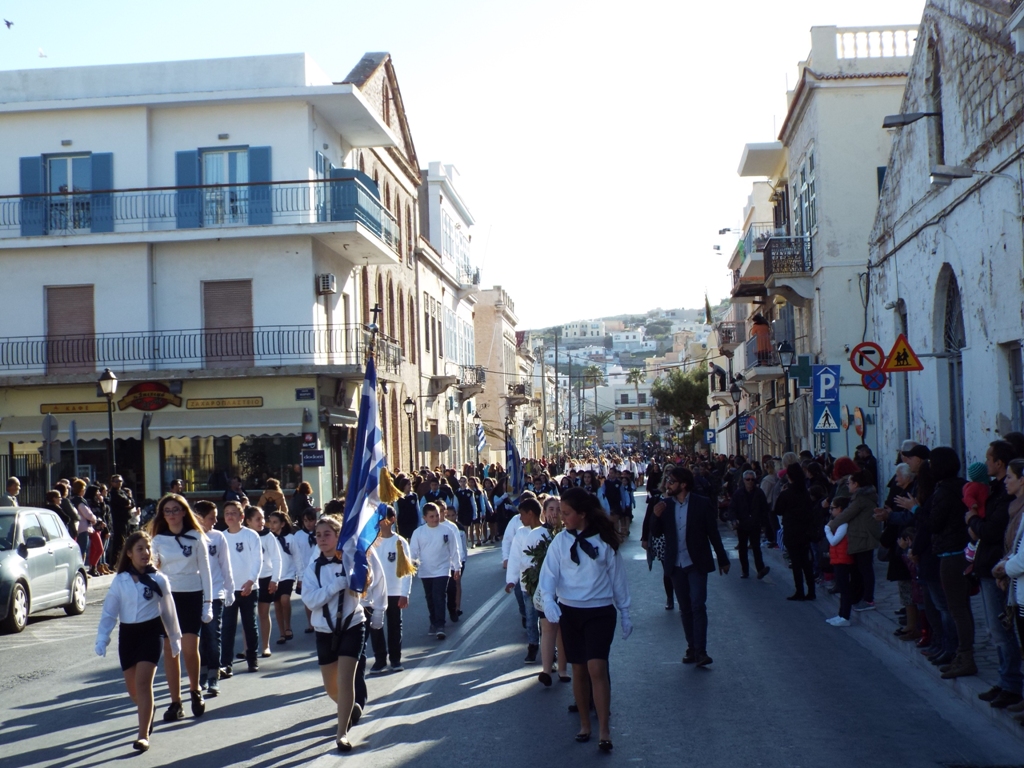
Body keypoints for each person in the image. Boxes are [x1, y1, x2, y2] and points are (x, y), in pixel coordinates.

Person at [539, 487, 630, 753]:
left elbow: (618, 578)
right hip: (571, 612)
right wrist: (549, 601)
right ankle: (584, 724)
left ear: (582, 514)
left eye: (566, 513)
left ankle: (604, 730)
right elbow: (549, 574)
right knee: (578, 669)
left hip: (600, 611)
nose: (562, 517)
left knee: (596, 668)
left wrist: (625, 611)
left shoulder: (604, 541)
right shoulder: (560, 542)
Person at [301, 514, 385, 752]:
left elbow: (367, 584)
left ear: (339, 536)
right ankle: (349, 708)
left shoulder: (351, 561)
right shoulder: (313, 568)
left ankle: (342, 734)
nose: (322, 539)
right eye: (318, 535)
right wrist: (333, 587)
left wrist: (359, 569)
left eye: (327, 534)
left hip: (352, 626)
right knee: (331, 687)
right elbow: (310, 600)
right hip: (324, 630)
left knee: (345, 680)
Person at [95, 531, 182, 753]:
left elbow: (169, 611)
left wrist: (174, 639)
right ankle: (148, 709)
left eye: (148, 548)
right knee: (134, 691)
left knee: (144, 684)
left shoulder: (159, 579)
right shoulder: (120, 581)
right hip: (128, 636)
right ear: (130, 554)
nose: (145, 553)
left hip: (151, 633)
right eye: (140, 549)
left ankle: (143, 736)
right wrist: (102, 638)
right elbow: (109, 612)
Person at [651, 466, 729, 667]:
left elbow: (713, 533)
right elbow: (656, 533)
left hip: (696, 562)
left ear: (683, 484)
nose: (667, 485)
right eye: (667, 481)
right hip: (676, 564)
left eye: (672, 481)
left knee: (698, 605)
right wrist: (655, 516)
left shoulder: (701, 504)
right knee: (685, 608)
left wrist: (723, 559)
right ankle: (692, 647)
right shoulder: (666, 505)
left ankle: (701, 651)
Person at [148, 494, 213, 721]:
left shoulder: (196, 536)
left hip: (192, 595)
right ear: (162, 515)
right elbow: (153, 571)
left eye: (176, 509)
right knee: (170, 650)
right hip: (167, 597)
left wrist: (208, 603)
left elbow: (205, 570)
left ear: (184, 512)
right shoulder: (157, 540)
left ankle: (195, 690)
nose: (172, 514)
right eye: (167, 511)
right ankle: (175, 702)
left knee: (189, 647)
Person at [194, 500, 233, 697]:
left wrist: (230, 589)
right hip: (194, 594)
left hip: (215, 593)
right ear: (200, 518)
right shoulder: (190, 537)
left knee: (213, 635)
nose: (216, 521)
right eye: (212, 518)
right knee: (198, 637)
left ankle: (213, 676)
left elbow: (225, 564)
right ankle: (200, 673)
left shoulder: (218, 537)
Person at [369, 507, 415, 673]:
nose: (380, 522)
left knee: (395, 626)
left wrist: (405, 593)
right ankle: (380, 659)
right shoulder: (372, 542)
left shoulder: (400, 542)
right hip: (376, 592)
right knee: (376, 626)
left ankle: (395, 659)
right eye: (378, 519)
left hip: (394, 592)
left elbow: (407, 570)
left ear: (392, 519)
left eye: (383, 519)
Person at [827, 469, 881, 610]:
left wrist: (831, 525)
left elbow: (847, 514)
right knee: (860, 570)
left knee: (865, 570)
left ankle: (868, 599)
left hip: (863, 537)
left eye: (849, 483)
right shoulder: (861, 497)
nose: (848, 485)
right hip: (861, 536)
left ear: (856, 484)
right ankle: (858, 597)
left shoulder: (861, 499)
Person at [408, 502, 461, 640]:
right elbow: (413, 552)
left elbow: (454, 550)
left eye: (437, 515)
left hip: (442, 569)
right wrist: (410, 565)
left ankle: (440, 625)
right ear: (424, 518)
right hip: (425, 570)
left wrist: (457, 567)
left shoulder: (447, 530)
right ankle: (433, 620)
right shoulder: (418, 532)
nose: (435, 519)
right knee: (430, 597)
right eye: (431, 516)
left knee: (439, 595)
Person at [221, 501, 262, 675]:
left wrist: (251, 581)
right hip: (228, 590)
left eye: (234, 513)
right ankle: (226, 664)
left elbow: (257, 560)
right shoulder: (221, 537)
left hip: (248, 588)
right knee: (227, 627)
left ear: (241, 516)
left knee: (249, 625)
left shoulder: (251, 535)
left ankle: (252, 659)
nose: (230, 516)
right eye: (227, 513)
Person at [505, 496, 545, 663]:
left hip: (544, 583)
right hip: (527, 583)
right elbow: (515, 557)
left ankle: (551, 650)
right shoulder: (521, 533)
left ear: (530, 513)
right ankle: (533, 645)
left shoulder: (546, 532)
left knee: (546, 618)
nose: (520, 518)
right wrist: (511, 579)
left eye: (522, 514)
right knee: (530, 616)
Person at [245, 506, 283, 658]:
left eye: (263, 518)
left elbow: (277, 559)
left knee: (263, 613)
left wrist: (275, 579)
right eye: (258, 519)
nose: (262, 522)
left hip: (265, 578)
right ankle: (247, 648)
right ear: (248, 521)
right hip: (249, 580)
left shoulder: (268, 536)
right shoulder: (244, 535)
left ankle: (266, 646)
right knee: (248, 615)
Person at [775, 463, 817, 601]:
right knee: (805, 562)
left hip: (792, 530)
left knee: (796, 563)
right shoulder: (805, 492)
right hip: (805, 531)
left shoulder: (787, 493)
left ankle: (800, 591)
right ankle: (811, 591)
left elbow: (778, 510)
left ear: (789, 476)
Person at [726, 470, 771, 580]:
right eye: (748, 479)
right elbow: (732, 508)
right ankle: (745, 571)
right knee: (743, 548)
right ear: (744, 480)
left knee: (756, 547)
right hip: (742, 525)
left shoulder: (759, 493)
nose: (750, 481)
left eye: (752, 479)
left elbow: (764, 509)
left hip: (755, 524)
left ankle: (760, 569)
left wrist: (764, 524)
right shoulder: (738, 493)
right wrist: (734, 520)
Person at [267, 510, 296, 645]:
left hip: (288, 574)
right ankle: (281, 633)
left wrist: (300, 576)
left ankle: (288, 626)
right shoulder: (268, 538)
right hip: (274, 576)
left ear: (282, 524)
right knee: (277, 603)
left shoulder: (290, 538)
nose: (272, 525)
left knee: (285, 599)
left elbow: (297, 557)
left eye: (275, 522)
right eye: (270, 522)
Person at [824, 496, 854, 626]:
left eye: (833, 508)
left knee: (845, 589)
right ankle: (841, 614)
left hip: (843, 559)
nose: (831, 510)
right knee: (842, 588)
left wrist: (827, 530)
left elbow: (834, 540)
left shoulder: (843, 524)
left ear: (840, 509)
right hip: (837, 558)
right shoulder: (837, 523)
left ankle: (845, 616)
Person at [290, 507, 320, 634]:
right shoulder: (298, 535)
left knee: (320, 596)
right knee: (307, 598)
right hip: (305, 571)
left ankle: (320, 622)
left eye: (311, 520)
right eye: (306, 520)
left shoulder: (319, 533)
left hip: (319, 569)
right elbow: (296, 555)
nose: (308, 523)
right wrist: (299, 575)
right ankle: (311, 624)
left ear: (315, 520)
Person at [108, 475, 135, 568]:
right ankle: (113, 563)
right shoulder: (113, 493)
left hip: (126, 520)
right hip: (118, 520)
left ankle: (123, 562)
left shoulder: (123, 492)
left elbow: (132, 503)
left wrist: (129, 501)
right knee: (118, 543)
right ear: (112, 483)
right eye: (116, 481)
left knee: (126, 541)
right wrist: (127, 503)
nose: (118, 483)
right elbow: (124, 502)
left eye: (120, 481)